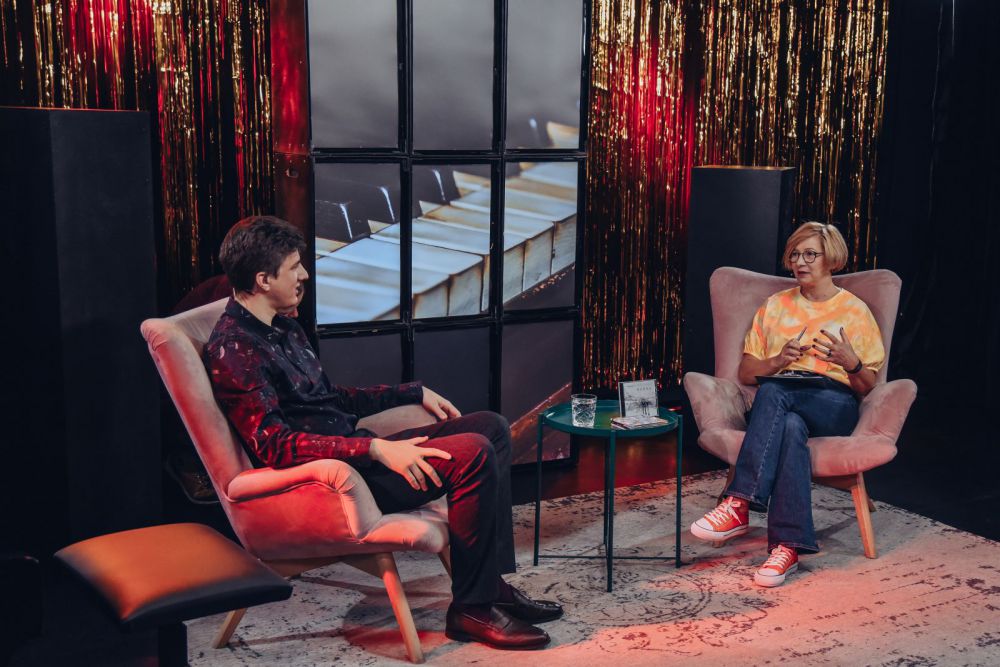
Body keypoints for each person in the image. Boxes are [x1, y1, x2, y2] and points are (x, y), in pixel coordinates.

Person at [204, 215, 561, 649]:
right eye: (294, 267)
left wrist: (411, 392)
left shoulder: (284, 325)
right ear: (263, 280)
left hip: (356, 457)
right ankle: (472, 608)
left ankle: (491, 588)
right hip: (330, 486)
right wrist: (375, 449)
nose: (305, 275)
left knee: (493, 427)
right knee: (474, 452)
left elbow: (329, 398)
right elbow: (275, 446)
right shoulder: (234, 349)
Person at [690, 222, 885, 587]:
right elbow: (747, 372)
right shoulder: (775, 306)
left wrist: (851, 363)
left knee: (774, 393)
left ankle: (739, 503)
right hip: (782, 398)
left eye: (810, 254)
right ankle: (787, 547)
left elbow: (867, 386)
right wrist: (778, 361)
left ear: (831, 258)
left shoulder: (855, 311)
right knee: (789, 423)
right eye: (795, 255)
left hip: (834, 402)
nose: (800, 262)